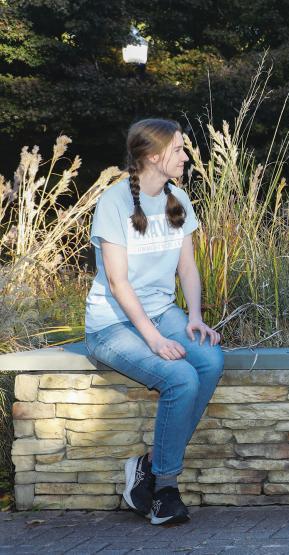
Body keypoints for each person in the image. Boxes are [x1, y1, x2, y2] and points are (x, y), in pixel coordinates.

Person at [84, 118, 224, 525]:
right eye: (178, 150)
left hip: (163, 313)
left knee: (210, 361)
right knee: (180, 377)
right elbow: (116, 280)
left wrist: (195, 316)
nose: (186, 156)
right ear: (151, 156)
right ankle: (164, 489)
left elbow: (188, 268)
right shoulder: (114, 203)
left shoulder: (178, 197)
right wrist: (154, 340)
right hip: (112, 325)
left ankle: (147, 463)